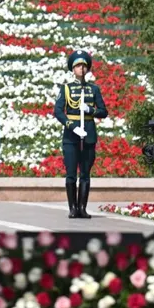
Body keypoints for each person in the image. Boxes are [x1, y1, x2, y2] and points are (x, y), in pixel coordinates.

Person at [53, 50, 108, 219]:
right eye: (78, 66)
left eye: (84, 66)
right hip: (71, 135)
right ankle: (72, 208)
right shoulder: (67, 89)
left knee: (85, 172)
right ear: (73, 69)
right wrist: (71, 126)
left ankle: (82, 208)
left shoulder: (94, 89)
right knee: (71, 173)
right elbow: (58, 111)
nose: (81, 69)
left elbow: (103, 112)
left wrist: (90, 110)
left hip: (88, 133)